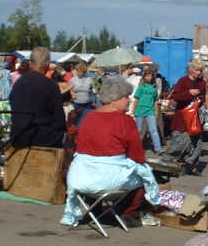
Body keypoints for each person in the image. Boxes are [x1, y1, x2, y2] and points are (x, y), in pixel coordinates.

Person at [60, 77, 160, 228]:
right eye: (126, 97)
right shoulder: (125, 121)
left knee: (102, 170)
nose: (129, 100)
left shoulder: (88, 117)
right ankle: (128, 213)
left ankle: (96, 207)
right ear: (115, 99)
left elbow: (81, 147)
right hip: (109, 180)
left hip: (82, 177)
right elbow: (137, 156)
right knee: (144, 177)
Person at [9, 47, 66, 148]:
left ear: (30, 63)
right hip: (44, 142)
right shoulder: (50, 86)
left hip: (19, 139)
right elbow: (59, 120)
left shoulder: (18, 83)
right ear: (47, 64)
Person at [166, 59, 207, 173]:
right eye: (196, 70)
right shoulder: (183, 81)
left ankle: (190, 165)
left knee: (196, 143)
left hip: (195, 118)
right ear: (191, 69)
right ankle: (167, 163)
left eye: (200, 70)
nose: (198, 72)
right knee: (180, 143)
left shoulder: (202, 82)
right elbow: (176, 96)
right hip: (182, 118)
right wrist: (189, 93)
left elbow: (203, 97)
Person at [134, 67, 162, 153]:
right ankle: (135, 148)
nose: (148, 78)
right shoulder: (141, 87)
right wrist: (133, 111)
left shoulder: (154, 89)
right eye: (147, 76)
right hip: (140, 110)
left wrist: (156, 112)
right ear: (144, 77)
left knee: (153, 129)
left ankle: (158, 148)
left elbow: (155, 101)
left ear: (153, 77)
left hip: (150, 111)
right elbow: (136, 99)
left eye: (150, 76)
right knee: (139, 130)